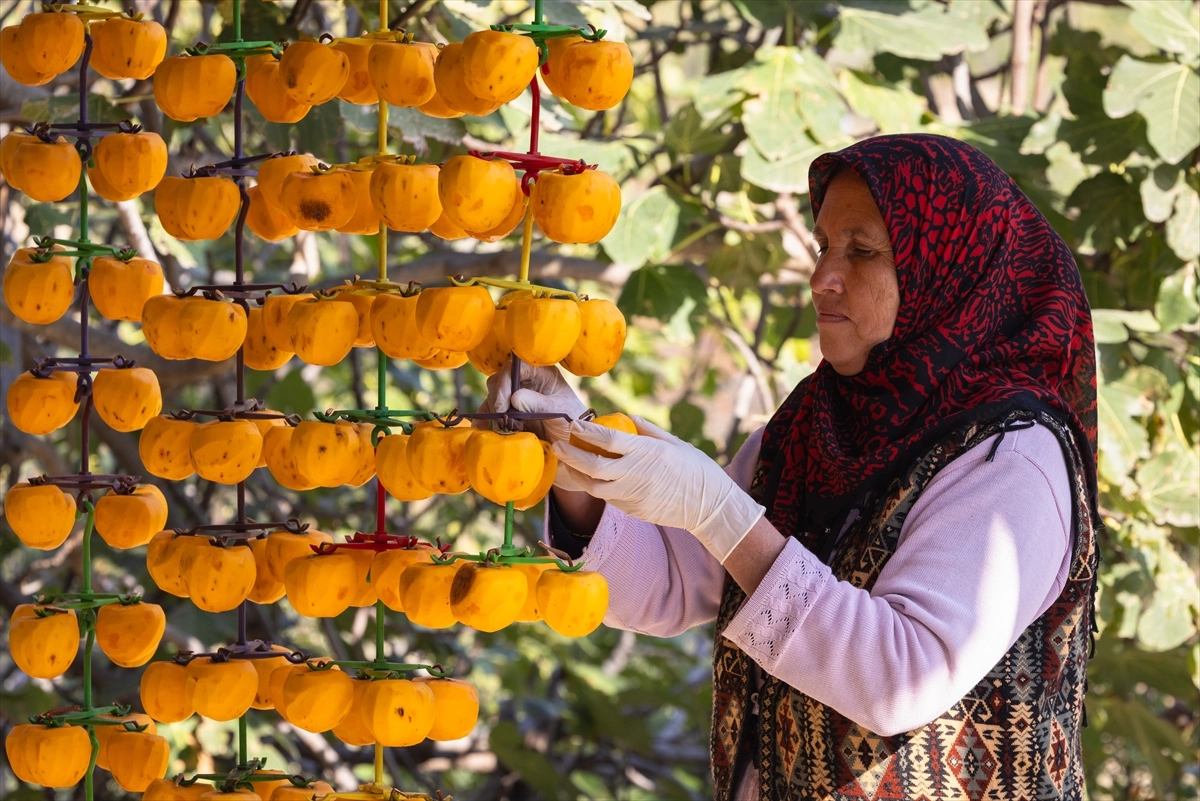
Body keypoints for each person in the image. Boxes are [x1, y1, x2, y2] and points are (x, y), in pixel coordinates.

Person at [483, 134, 1099, 800]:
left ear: (947, 268)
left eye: (860, 251)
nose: (822, 277)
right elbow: (674, 582)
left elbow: (901, 679)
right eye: (822, 247)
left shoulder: (1013, 457)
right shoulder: (817, 421)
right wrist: (573, 465)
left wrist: (718, 510)